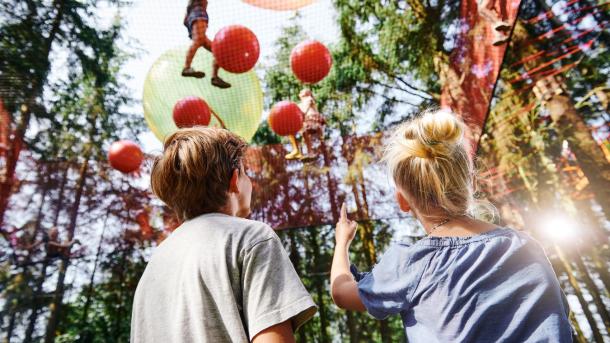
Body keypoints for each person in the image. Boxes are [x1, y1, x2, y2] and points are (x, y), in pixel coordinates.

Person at [330, 109, 572, 342]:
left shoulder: (413, 264)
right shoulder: (525, 246)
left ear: (402, 201)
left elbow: (341, 292)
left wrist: (342, 241)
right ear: (470, 181)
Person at [131, 127, 316, 343]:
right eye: (246, 173)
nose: (251, 183)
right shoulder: (252, 237)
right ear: (234, 180)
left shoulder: (154, 265)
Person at [182, 0, 231, 89]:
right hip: (197, 13)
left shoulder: (191, 6)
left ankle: (215, 77)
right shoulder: (196, 6)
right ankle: (186, 68)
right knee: (199, 40)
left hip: (194, 15)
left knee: (218, 51)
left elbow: (185, 20)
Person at [298, 89, 326, 161]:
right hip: (308, 122)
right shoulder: (300, 104)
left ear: (308, 93)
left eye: (302, 91)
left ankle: (312, 150)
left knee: (305, 130)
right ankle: (309, 152)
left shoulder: (309, 99)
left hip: (313, 121)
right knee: (304, 133)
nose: (300, 92)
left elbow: (304, 111)